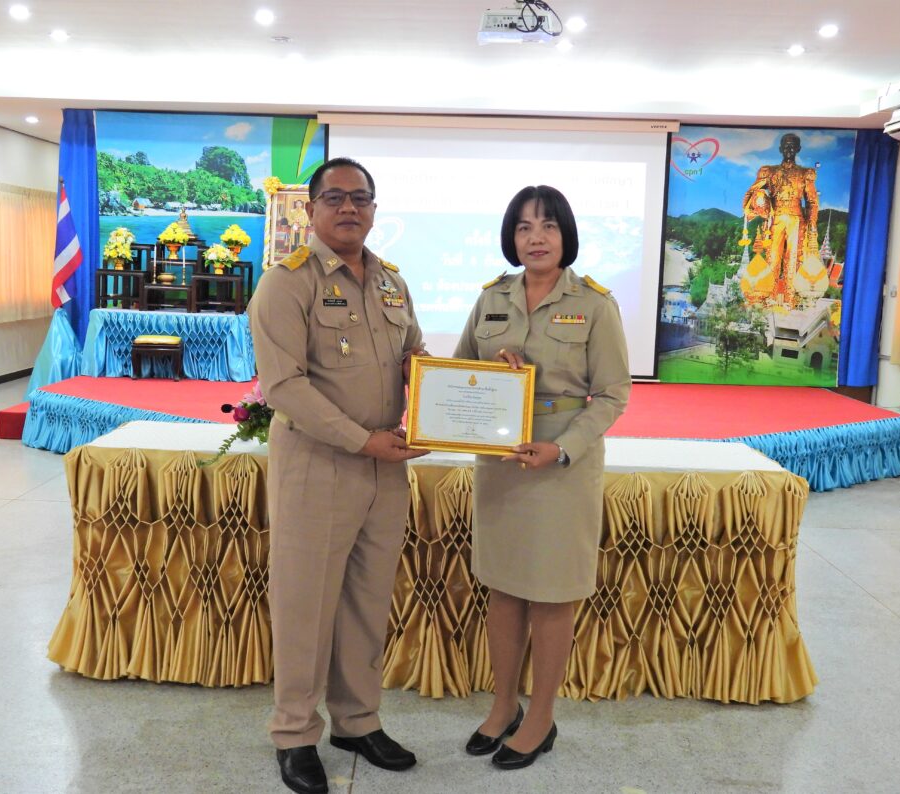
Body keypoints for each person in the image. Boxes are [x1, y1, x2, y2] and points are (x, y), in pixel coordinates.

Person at [248, 157, 428, 794]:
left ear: (374, 210)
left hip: (385, 468)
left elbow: (414, 357)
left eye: (360, 198)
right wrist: (360, 440)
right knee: (305, 604)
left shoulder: (392, 282)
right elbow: (284, 386)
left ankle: (357, 721)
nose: (349, 208)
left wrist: (456, 390)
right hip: (318, 464)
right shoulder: (286, 283)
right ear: (311, 210)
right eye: (334, 198)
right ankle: (295, 733)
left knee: (366, 601)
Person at [454, 185, 630, 770]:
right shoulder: (491, 298)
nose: (536, 237)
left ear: (565, 235)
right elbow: (457, 372)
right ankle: (503, 705)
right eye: (524, 226)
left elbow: (613, 395)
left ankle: (541, 717)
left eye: (548, 226)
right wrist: (490, 373)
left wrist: (561, 448)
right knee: (503, 588)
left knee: (552, 594)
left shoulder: (595, 304)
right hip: (501, 460)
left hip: (561, 467)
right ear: (511, 237)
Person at [742, 133, 819, 305]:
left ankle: (791, 299)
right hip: (775, 218)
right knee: (773, 257)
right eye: (786, 146)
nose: (789, 149)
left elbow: (812, 201)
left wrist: (812, 224)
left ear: (798, 149)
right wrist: (753, 207)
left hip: (796, 219)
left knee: (793, 258)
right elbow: (753, 191)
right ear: (780, 149)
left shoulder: (804, 173)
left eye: (792, 146)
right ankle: (769, 296)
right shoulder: (769, 172)